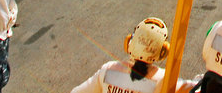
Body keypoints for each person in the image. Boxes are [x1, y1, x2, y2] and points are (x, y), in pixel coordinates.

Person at [70, 17, 198, 93]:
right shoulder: (164, 79)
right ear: (163, 51)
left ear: (130, 43)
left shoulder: (108, 70)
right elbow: (197, 87)